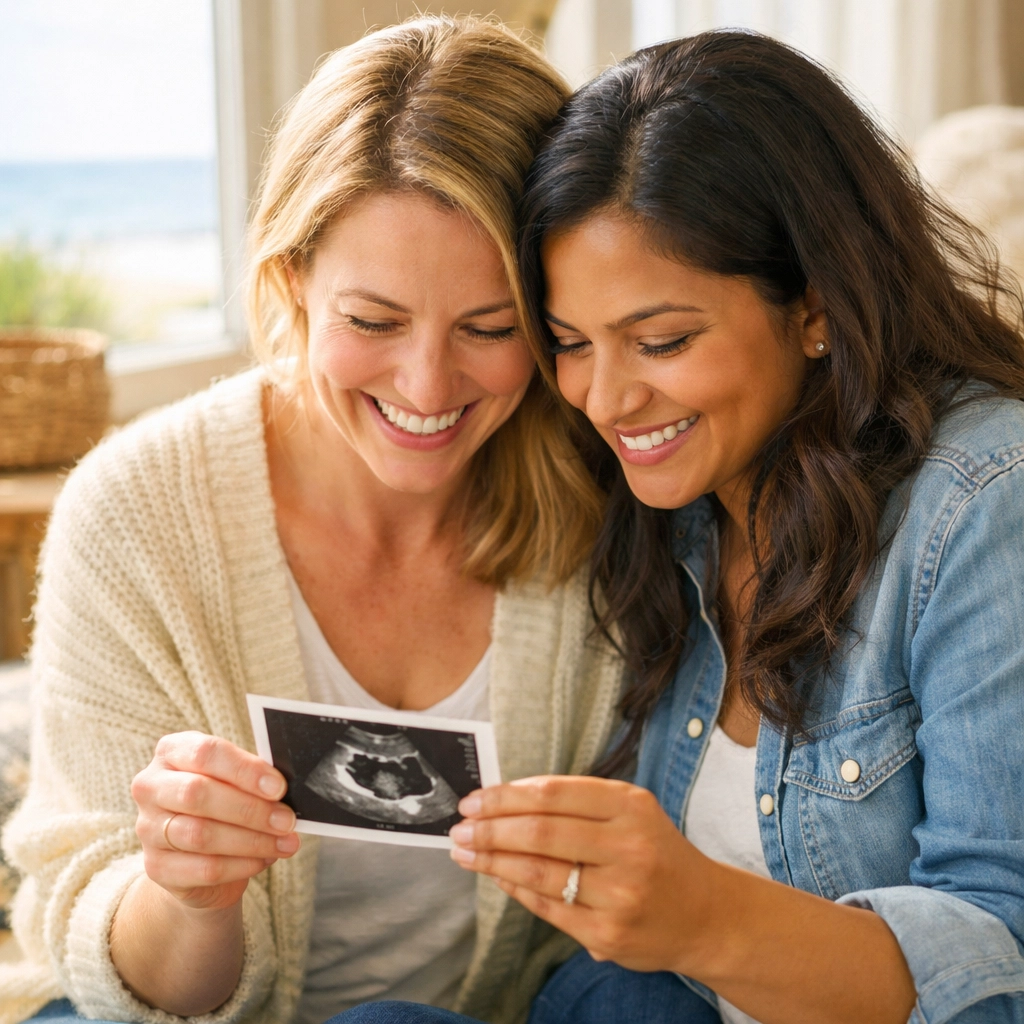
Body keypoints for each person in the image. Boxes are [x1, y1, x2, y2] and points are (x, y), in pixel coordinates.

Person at [342, 29, 1024, 1024]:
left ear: (815, 305)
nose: (607, 399)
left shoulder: (982, 501)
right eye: (570, 343)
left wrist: (703, 917)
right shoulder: (667, 499)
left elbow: (1001, 964)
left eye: (660, 340)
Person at [0, 17, 625, 1024]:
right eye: (372, 322)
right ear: (291, 285)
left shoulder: (605, 503)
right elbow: (115, 978)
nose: (427, 386)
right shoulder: (135, 511)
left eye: (490, 326)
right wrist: (186, 893)